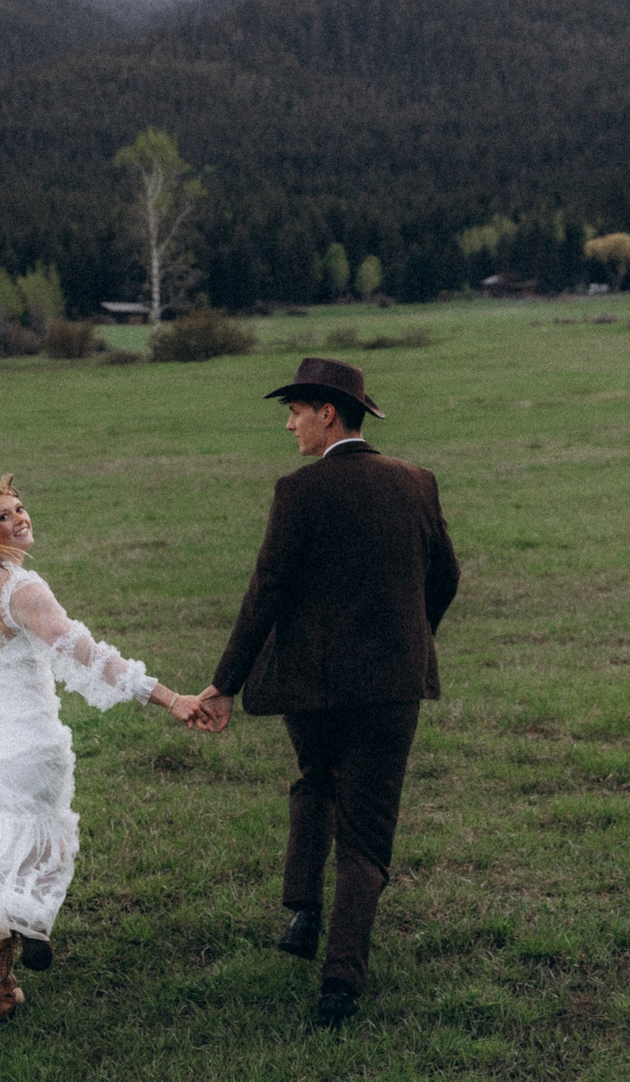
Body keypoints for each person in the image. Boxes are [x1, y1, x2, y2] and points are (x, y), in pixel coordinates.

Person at [196, 356, 459, 1024]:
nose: (289, 425)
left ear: (328, 413)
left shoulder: (298, 491)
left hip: (313, 689)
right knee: (368, 831)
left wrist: (224, 683)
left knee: (315, 781)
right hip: (392, 688)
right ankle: (340, 986)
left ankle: (303, 913)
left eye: (295, 412)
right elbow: (446, 577)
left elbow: (267, 592)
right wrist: (411, 635)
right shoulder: (417, 482)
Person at [0, 476, 206, 1021]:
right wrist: (167, 696)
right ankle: (25, 925)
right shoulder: (23, 589)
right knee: (49, 848)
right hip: (26, 744)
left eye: (21, 509)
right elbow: (85, 653)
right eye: (5, 515)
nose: (21, 518)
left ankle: (1, 985)